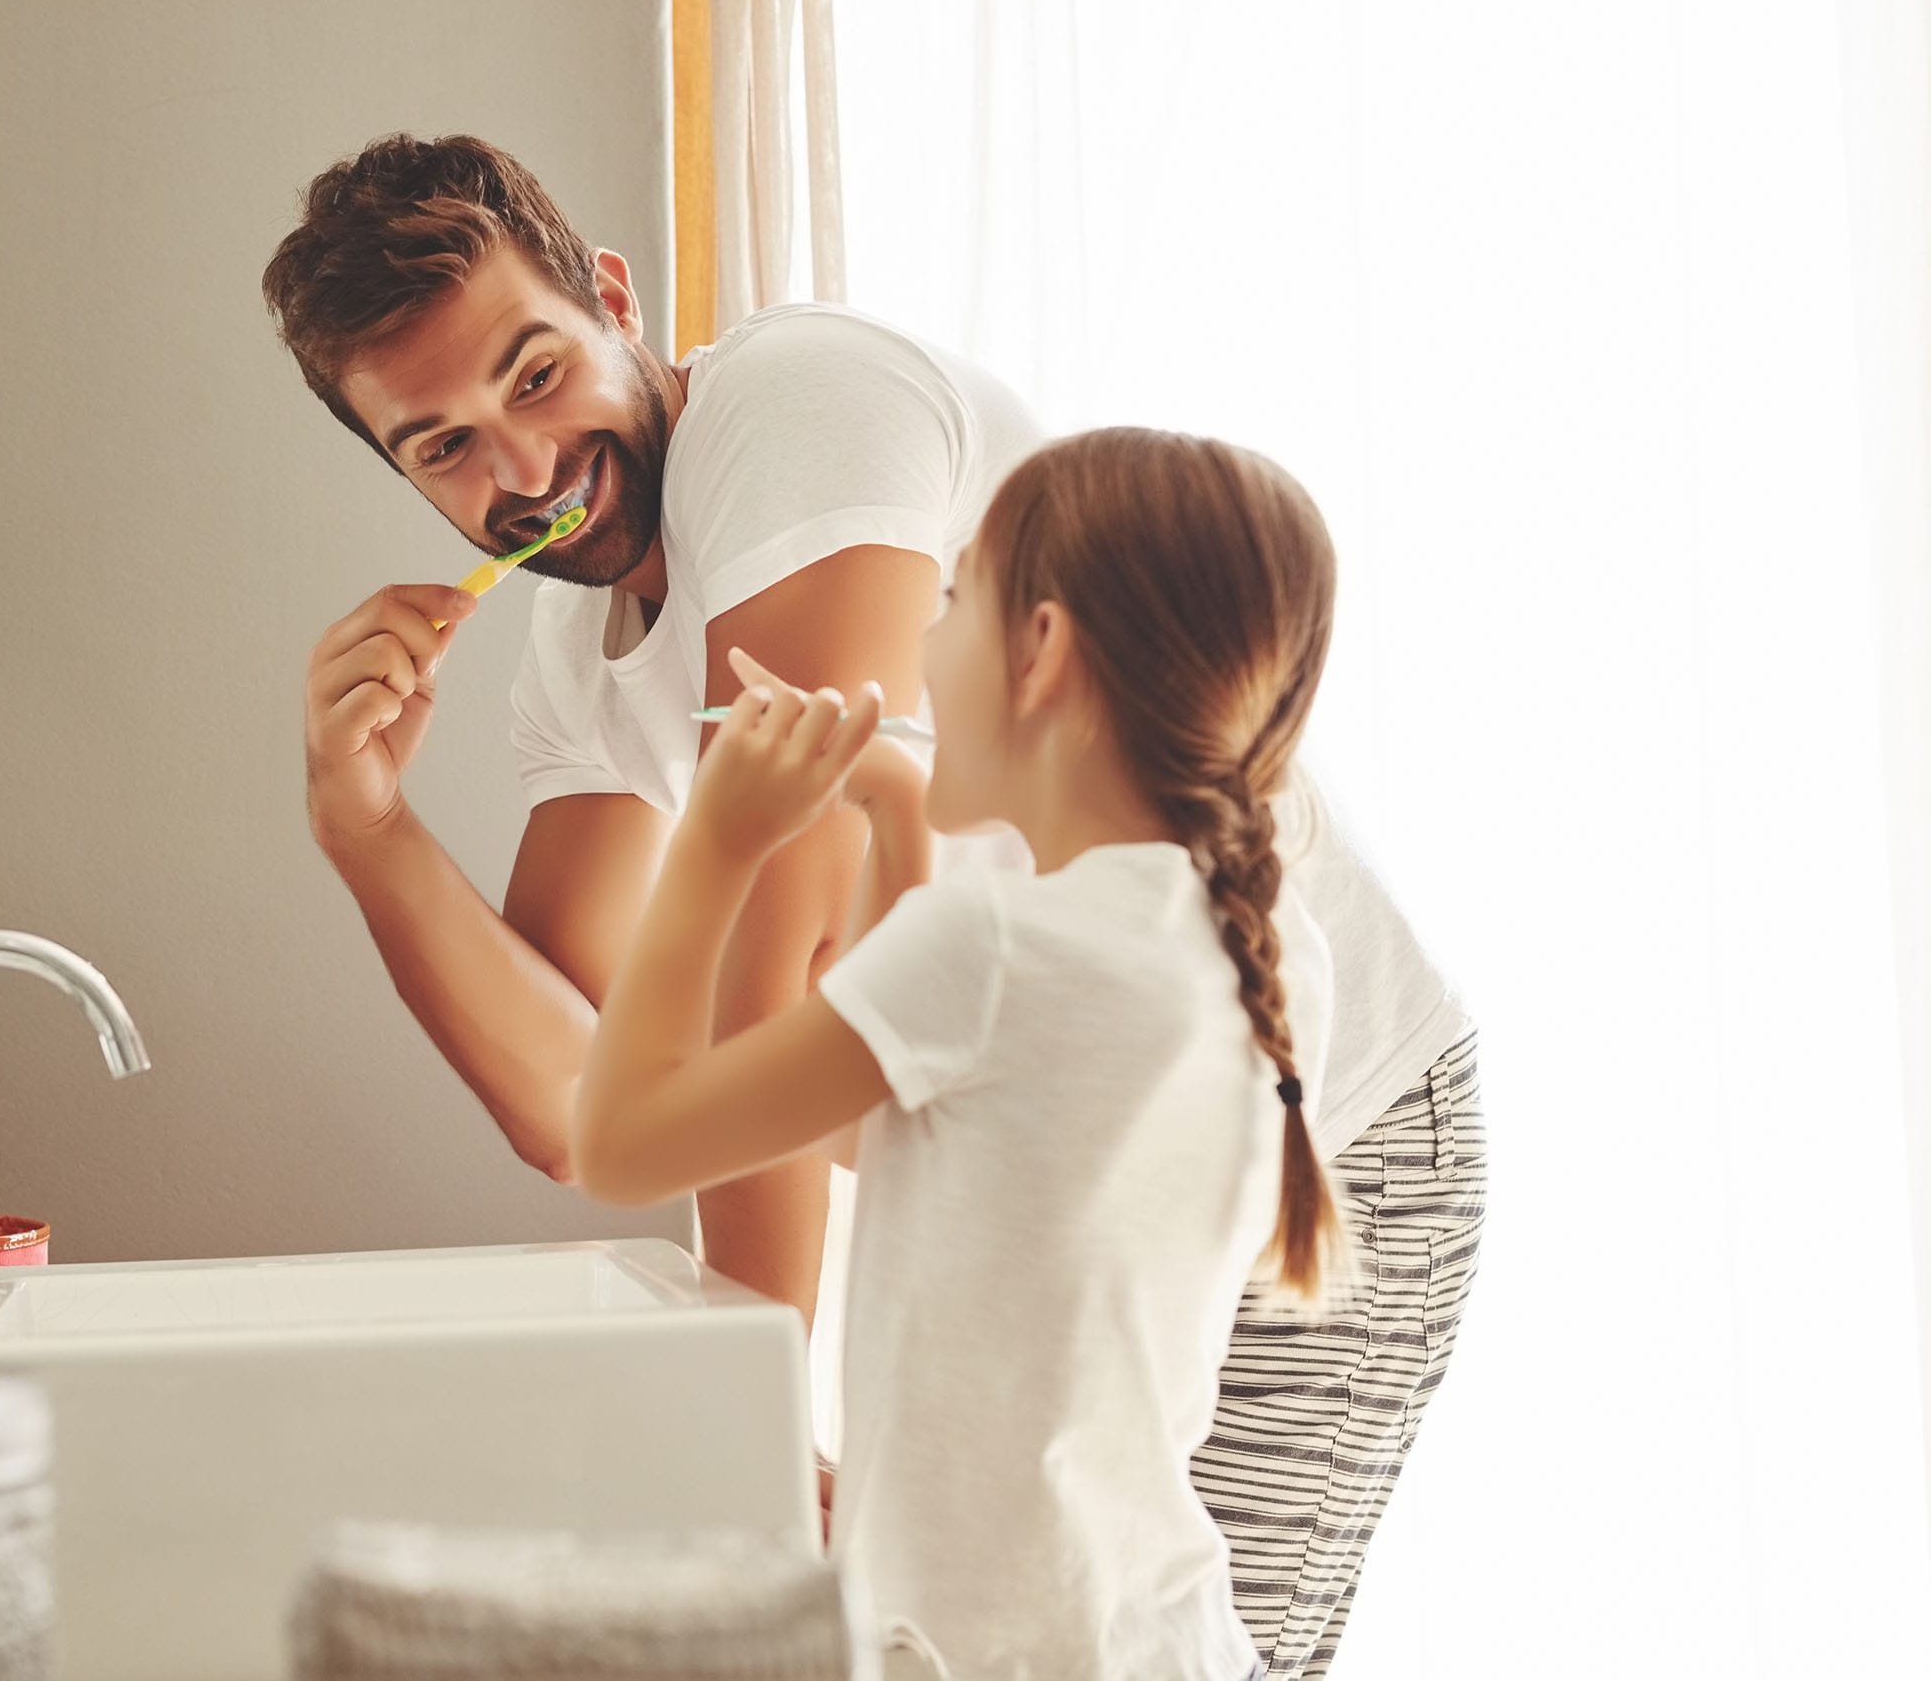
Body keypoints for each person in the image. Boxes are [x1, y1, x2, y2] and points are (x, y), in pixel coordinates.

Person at [263, 134, 1483, 1676]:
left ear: (616, 302)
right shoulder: (578, 666)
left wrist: (754, 1458)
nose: (521, 471)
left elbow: (766, 995)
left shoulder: (791, 412)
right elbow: (597, 1104)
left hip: (1326, 1120)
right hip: (1072, 1142)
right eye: (440, 446)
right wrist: (364, 827)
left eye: (534, 374)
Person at [571, 427, 1340, 1679]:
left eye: (951, 597)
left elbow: (617, 1142)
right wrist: (884, 811)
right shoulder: (1262, 946)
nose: (922, 648)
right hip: (1160, 1638)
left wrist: (716, 841)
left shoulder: (992, 949)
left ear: (1038, 650)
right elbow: (903, 1128)